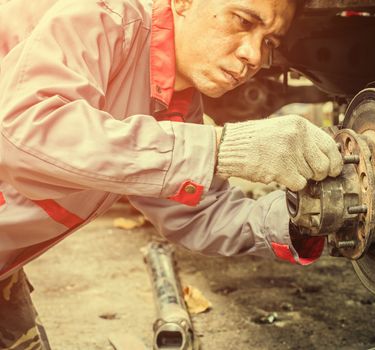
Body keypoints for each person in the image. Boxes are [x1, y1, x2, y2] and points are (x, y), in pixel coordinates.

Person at [0, 0, 343, 348]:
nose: (254, 55)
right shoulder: (103, 18)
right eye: (242, 21)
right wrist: (219, 148)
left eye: (269, 42)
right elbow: (26, 134)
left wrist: (308, 218)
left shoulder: (176, 103)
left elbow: (199, 211)